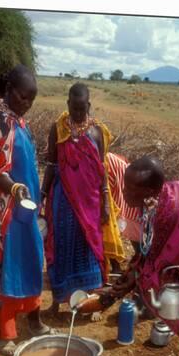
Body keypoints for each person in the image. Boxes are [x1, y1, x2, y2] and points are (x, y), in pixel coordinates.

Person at [0, 64, 51, 356]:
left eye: (31, 99)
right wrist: (14, 188)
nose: (26, 103)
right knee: (8, 270)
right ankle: (3, 333)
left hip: (24, 211)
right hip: (5, 214)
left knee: (32, 261)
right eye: (22, 96)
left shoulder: (17, 120)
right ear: (8, 90)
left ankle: (35, 321)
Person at [111, 156, 179, 356]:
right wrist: (133, 275)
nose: (123, 192)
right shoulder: (154, 201)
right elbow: (149, 250)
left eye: (128, 189)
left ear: (147, 190)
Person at [41, 83, 125, 314]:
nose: (78, 113)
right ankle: (57, 302)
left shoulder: (97, 132)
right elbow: (51, 164)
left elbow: (102, 171)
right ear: (67, 104)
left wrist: (106, 202)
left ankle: (92, 303)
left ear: (89, 105)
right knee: (60, 247)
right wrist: (42, 194)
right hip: (62, 199)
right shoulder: (57, 129)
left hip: (90, 203)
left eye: (82, 109)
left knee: (89, 248)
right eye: (74, 108)